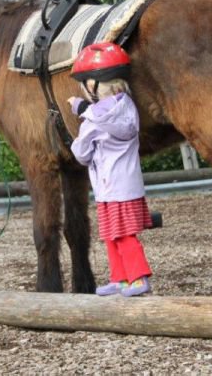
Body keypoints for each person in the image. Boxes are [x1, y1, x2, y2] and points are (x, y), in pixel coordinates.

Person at [67, 42, 153, 297]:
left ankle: (137, 277)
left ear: (93, 86)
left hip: (109, 187)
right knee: (115, 234)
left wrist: (82, 119)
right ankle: (120, 278)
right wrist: (87, 110)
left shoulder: (93, 122)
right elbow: (108, 117)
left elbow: (81, 154)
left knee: (121, 236)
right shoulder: (127, 106)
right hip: (126, 186)